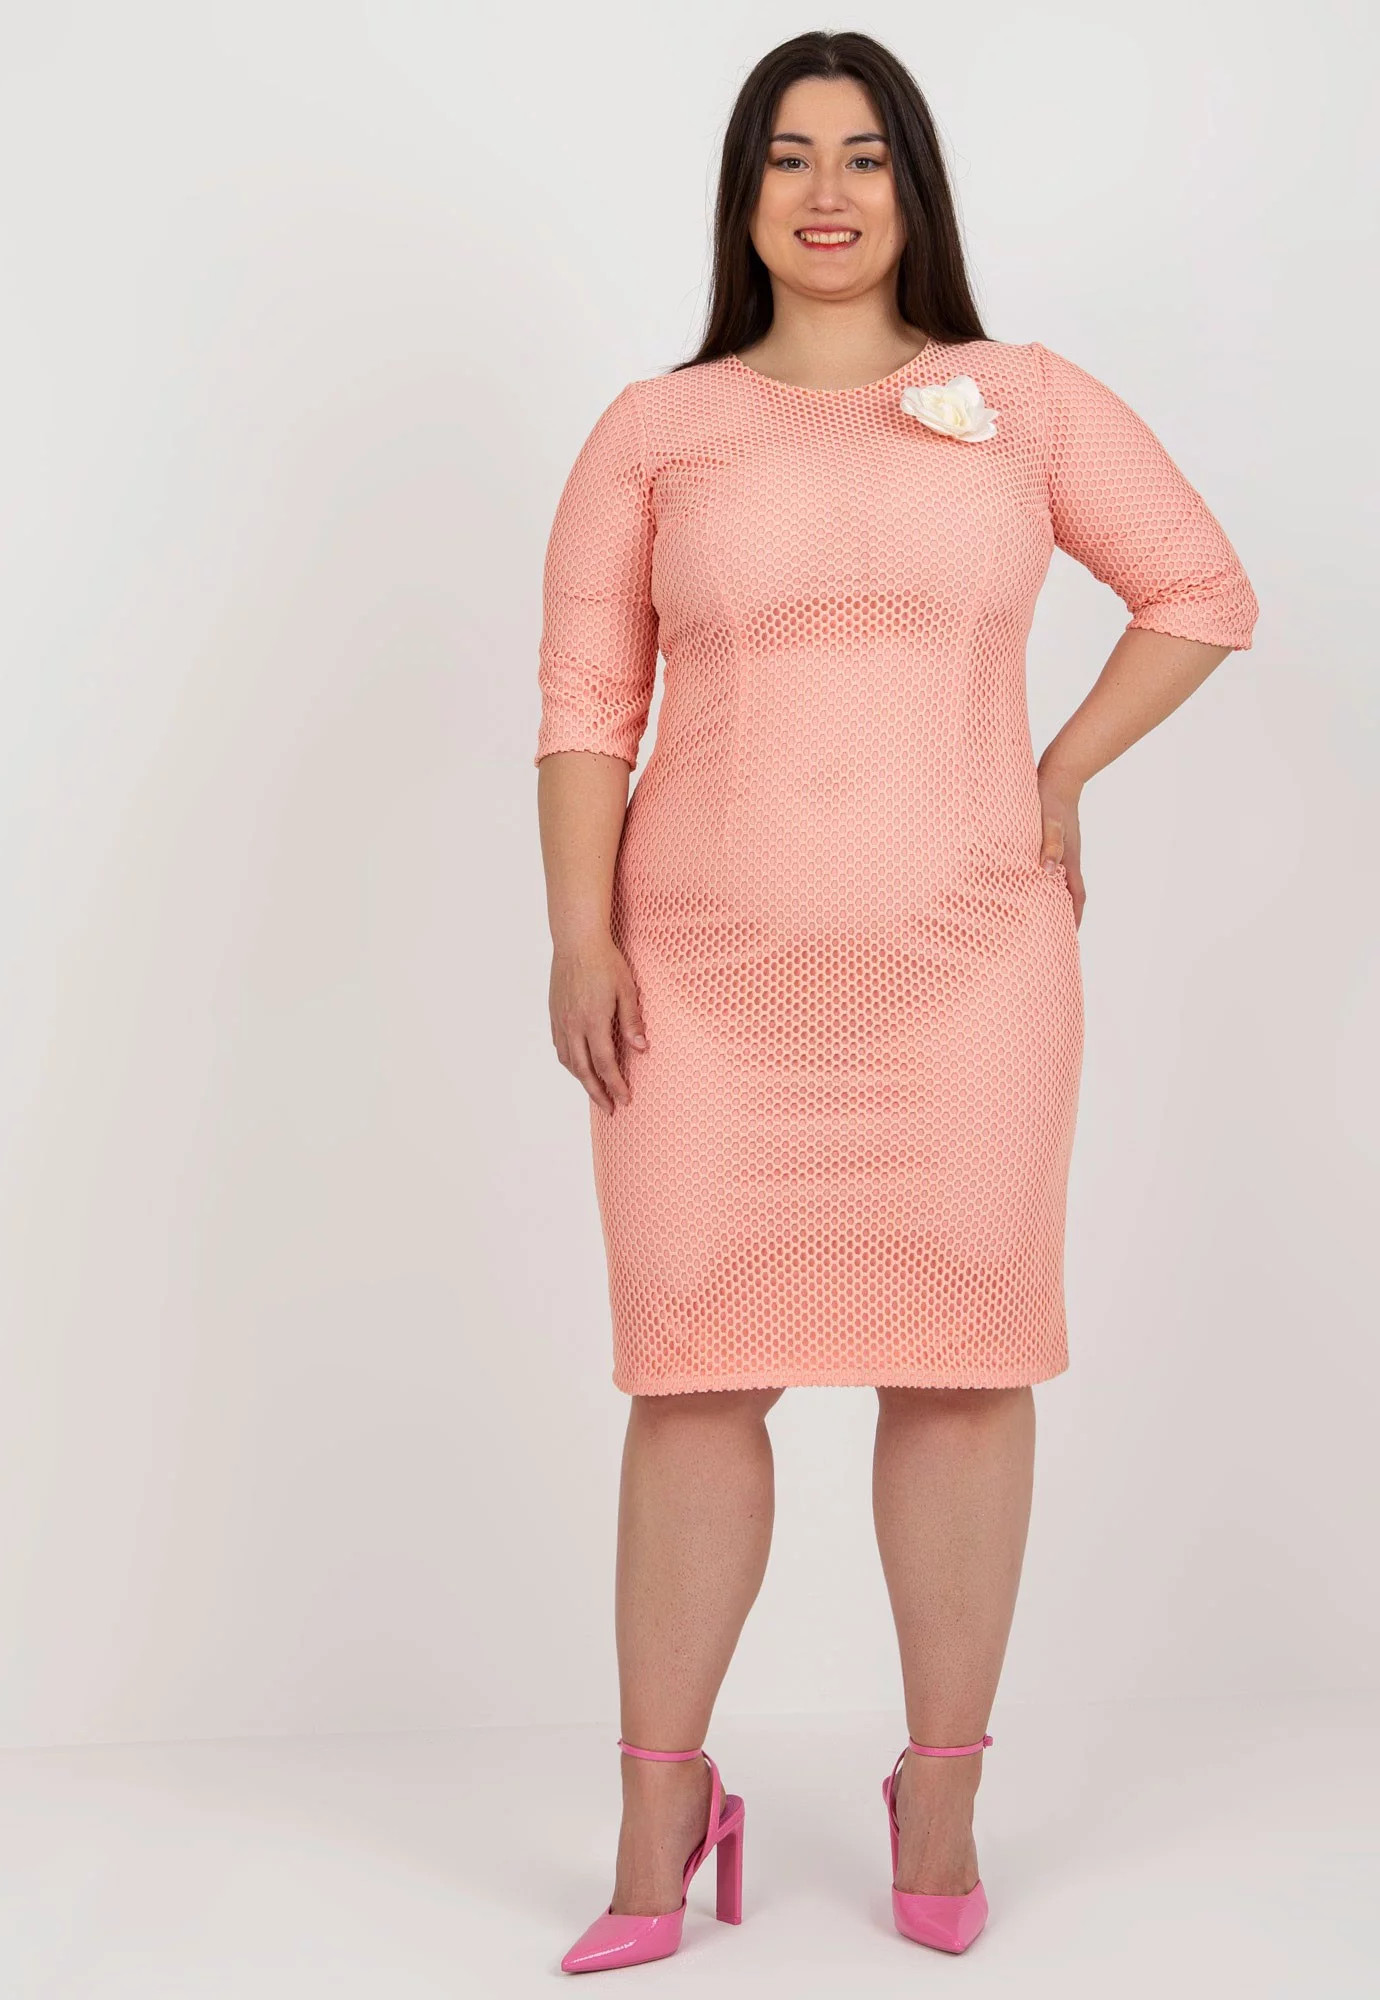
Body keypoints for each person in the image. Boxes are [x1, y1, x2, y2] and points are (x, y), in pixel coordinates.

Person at [533, 30, 1257, 1974]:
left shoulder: (1023, 401)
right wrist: (580, 935)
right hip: (702, 981)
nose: (828, 192)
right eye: (788, 157)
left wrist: (1060, 773)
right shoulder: (655, 429)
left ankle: (940, 1797)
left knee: (962, 1360)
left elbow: (1200, 588)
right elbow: (587, 704)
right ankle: (658, 1813)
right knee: (693, 1372)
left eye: (864, 156)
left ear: (915, 189)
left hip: (966, 970)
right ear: (744, 196)